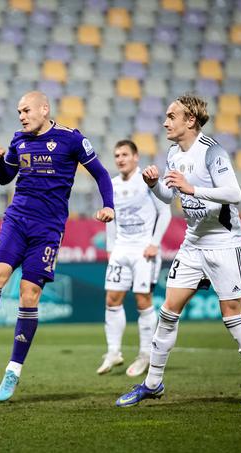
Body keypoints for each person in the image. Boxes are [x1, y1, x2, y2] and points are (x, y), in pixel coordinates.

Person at [115, 94, 241, 407]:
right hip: (193, 243)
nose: (165, 122)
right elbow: (167, 195)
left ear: (190, 120)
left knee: (232, 316)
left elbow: (234, 193)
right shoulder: (174, 153)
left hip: (223, 243)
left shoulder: (212, 150)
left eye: (171, 116)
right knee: (168, 312)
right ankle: (153, 383)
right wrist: (153, 185)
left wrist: (193, 188)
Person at [0, 91, 115, 401]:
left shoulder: (71, 138)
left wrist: (109, 205)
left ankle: (12, 371)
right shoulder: (19, 139)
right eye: (18, 112)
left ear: (44, 109)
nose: (21, 116)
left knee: (29, 296)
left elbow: (101, 173)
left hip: (48, 229)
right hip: (16, 220)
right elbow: (6, 178)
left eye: (26, 110)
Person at [98, 140, 171, 377]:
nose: (120, 159)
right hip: (121, 248)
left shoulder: (147, 181)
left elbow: (165, 212)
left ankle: (145, 354)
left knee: (143, 300)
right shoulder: (111, 184)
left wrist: (154, 243)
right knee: (112, 299)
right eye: (117, 155)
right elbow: (111, 217)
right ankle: (113, 352)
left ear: (136, 157)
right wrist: (111, 249)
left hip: (143, 249)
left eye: (125, 154)